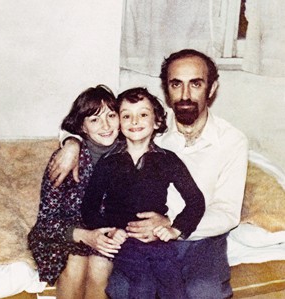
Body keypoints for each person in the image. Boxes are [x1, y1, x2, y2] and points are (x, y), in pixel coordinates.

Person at [50, 49, 249, 298]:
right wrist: (71, 143)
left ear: (211, 88)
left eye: (195, 84)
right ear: (167, 90)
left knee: (201, 291)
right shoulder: (149, 131)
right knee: (123, 289)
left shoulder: (232, 141)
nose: (185, 95)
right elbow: (96, 121)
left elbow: (228, 212)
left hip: (200, 238)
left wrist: (173, 225)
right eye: (176, 84)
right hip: (137, 238)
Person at [81, 87, 205, 298]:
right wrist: (110, 231)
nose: (135, 121)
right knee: (143, 283)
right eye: (126, 116)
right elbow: (88, 207)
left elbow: (196, 201)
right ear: (119, 124)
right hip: (124, 241)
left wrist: (176, 229)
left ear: (157, 121)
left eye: (143, 114)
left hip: (158, 239)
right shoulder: (108, 162)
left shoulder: (168, 160)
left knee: (174, 283)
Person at [28, 85, 123, 299]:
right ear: (83, 126)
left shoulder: (131, 154)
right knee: (75, 263)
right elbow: (46, 220)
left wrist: (115, 233)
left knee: (100, 264)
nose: (106, 125)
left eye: (111, 115)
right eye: (95, 119)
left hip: (111, 235)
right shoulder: (66, 158)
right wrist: (83, 235)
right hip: (65, 234)